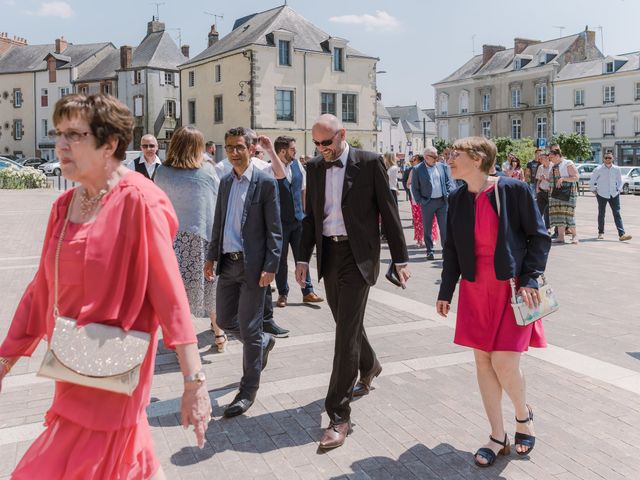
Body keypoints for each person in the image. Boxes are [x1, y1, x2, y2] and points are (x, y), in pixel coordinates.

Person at [0, 94, 211, 479]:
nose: (60, 145)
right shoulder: (64, 206)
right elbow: (40, 288)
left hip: (115, 372)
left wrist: (194, 382)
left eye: (74, 135)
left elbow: (170, 297)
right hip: (74, 366)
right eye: (58, 133)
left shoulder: (140, 201)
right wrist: (6, 358)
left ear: (109, 144)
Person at [295, 114, 410, 449]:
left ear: (342, 135)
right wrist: (302, 258)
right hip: (329, 256)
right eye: (316, 144)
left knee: (344, 332)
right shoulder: (315, 168)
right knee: (346, 321)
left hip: (359, 257)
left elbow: (388, 213)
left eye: (326, 143)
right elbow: (310, 217)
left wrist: (400, 259)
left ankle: (338, 413)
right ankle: (370, 364)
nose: (321, 150)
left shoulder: (370, 163)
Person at [436, 136, 550, 468]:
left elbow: (538, 236)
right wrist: (446, 291)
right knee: (483, 363)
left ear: (478, 158)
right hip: (474, 290)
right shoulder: (456, 198)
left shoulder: (511, 191)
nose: (449, 160)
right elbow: (452, 249)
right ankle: (497, 435)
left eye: (455, 155)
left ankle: (522, 416)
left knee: (504, 364)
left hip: (511, 290)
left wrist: (530, 278)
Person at [204, 126, 282, 418]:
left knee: (249, 329)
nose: (234, 152)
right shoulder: (224, 182)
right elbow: (219, 222)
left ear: (251, 149)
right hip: (228, 263)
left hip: (253, 267)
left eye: (239, 147)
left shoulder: (265, 183)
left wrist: (271, 266)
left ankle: (247, 390)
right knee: (224, 319)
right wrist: (211, 256)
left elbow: (275, 229)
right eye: (229, 147)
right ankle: (263, 342)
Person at [155, 126, 228, 353]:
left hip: (171, 241)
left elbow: (157, 205)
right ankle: (218, 333)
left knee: (178, 295)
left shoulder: (162, 172)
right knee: (211, 289)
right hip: (202, 241)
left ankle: (183, 344)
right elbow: (217, 207)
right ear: (198, 147)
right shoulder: (206, 172)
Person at [259, 135, 324, 309]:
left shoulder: (298, 166)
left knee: (302, 257)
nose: (295, 151)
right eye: (292, 149)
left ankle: (308, 291)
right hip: (279, 223)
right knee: (280, 260)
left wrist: (304, 213)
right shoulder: (268, 169)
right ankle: (283, 293)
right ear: (282, 151)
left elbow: (303, 190)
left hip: (297, 220)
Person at [411, 145, 455, 260]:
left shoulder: (441, 166)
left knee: (444, 228)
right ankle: (429, 251)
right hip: (427, 203)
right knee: (428, 228)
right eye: (434, 157)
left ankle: (446, 251)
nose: (437, 159)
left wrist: (448, 193)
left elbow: (447, 182)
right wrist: (421, 201)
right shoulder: (417, 169)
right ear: (426, 157)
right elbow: (414, 188)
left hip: (442, 202)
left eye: (437, 156)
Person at [589, 152, 632, 241]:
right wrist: (594, 190)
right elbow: (592, 180)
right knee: (601, 214)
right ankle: (600, 233)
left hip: (614, 194)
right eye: (606, 158)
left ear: (612, 158)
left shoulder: (616, 169)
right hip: (601, 194)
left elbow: (620, 181)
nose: (608, 159)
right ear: (603, 159)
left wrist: (619, 190)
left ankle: (622, 234)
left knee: (617, 214)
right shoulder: (598, 169)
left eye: (609, 158)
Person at [548, 145, 580, 244]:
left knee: (568, 214)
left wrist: (563, 179)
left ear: (557, 155)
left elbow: (576, 177)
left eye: (551, 157)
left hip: (568, 193)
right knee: (558, 214)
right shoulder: (554, 166)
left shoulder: (568, 163)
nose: (551, 160)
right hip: (556, 193)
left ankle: (575, 235)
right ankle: (560, 237)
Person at [406, 155, 424, 248]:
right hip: (415, 199)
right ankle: (419, 239)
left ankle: (429, 239)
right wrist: (414, 187)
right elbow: (408, 184)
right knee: (418, 219)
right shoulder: (413, 170)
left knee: (429, 219)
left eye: (414, 160)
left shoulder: (427, 169)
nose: (412, 162)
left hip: (427, 199)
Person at [535, 152, 552, 230]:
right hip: (541, 191)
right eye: (540, 158)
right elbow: (538, 179)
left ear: (547, 158)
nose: (540, 160)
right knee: (539, 210)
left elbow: (554, 181)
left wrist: (546, 179)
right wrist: (537, 188)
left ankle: (547, 228)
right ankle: (538, 227)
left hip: (550, 192)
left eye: (542, 158)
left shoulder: (553, 166)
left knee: (548, 211)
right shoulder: (540, 167)